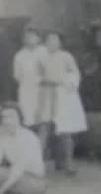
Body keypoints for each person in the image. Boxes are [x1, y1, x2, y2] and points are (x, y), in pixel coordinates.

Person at [36, 30, 88, 175]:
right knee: (45, 128)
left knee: (65, 130)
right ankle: (37, 164)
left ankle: (68, 162)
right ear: (45, 42)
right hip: (46, 94)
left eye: (55, 40)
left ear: (60, 42)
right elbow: (37, 77)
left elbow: (75, 75)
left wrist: (65, 81)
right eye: (49, 40)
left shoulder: (66, 57)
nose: (52, 43)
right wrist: (47, 81)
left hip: (63, 96)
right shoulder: (41, 58)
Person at [0, 103, 49, 194]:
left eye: (11, 116)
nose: (7, 120)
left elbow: (18, 169)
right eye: (4, 117)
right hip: (16, 177)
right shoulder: (2, 137)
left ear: (19, 118)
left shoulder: (28, 137)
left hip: (35, 181)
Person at [13, 27, 47, 131]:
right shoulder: (19, 55)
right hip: (27, 90)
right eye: (27, 37)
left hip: (44, 89)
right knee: (28, 118)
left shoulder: (45, 51)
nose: (30, 39)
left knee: (44, 119)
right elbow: (17, 76)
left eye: (32, 36)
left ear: (38, 38)